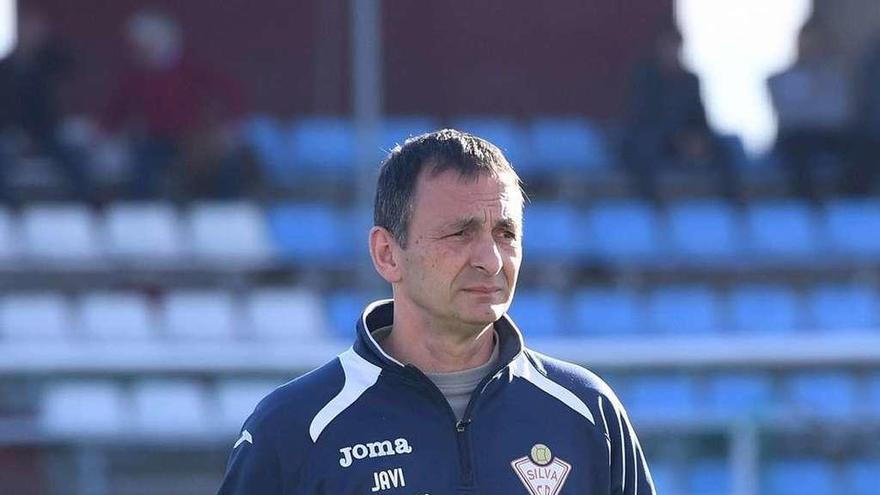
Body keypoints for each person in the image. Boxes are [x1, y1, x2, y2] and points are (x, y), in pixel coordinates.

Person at [217, 129, 656, 494]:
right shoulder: (295, 427)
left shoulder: (586, 412)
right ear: (388, 253)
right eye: (460, 234)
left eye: (505, 234)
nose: (491, 259)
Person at [101, 8, 252, 199]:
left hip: (192, 136)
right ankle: (142, 218)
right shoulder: (136, 74)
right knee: (140, 173)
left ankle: (225, 212)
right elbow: (118, 106)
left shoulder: (191, 66)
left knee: (224, 165)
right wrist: (105, 131)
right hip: (156, 139)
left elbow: (230, 90)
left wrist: (232, 124)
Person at [622, 25, 737, 200]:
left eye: (675, 47)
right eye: (668, 47)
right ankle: (650, 200)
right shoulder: (646, 77)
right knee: (643, 147)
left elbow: (699, 116)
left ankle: (733, 200)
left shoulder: (691, 80)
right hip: (657, 137)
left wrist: (697, 138)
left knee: (724, 148)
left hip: (687, 137)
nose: (672, 52)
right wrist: (675, 136)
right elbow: (641, 116)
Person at [0, 7, 91, 202]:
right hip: (11, 130)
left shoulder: (47, 61)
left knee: (73, 159)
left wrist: (43, 47)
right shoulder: (7, 67)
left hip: (45, 129)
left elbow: (70, 65)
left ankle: (88, 205)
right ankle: (9, 208)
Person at [767, 19, 855, 199]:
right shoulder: (780, 78)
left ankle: (850, 200)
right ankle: (808, 205)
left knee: (861, 145)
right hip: (796, 137)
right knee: (797, 148)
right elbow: (788, 116)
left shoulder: (837, 77)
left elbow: (840, 113)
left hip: (830, 136)